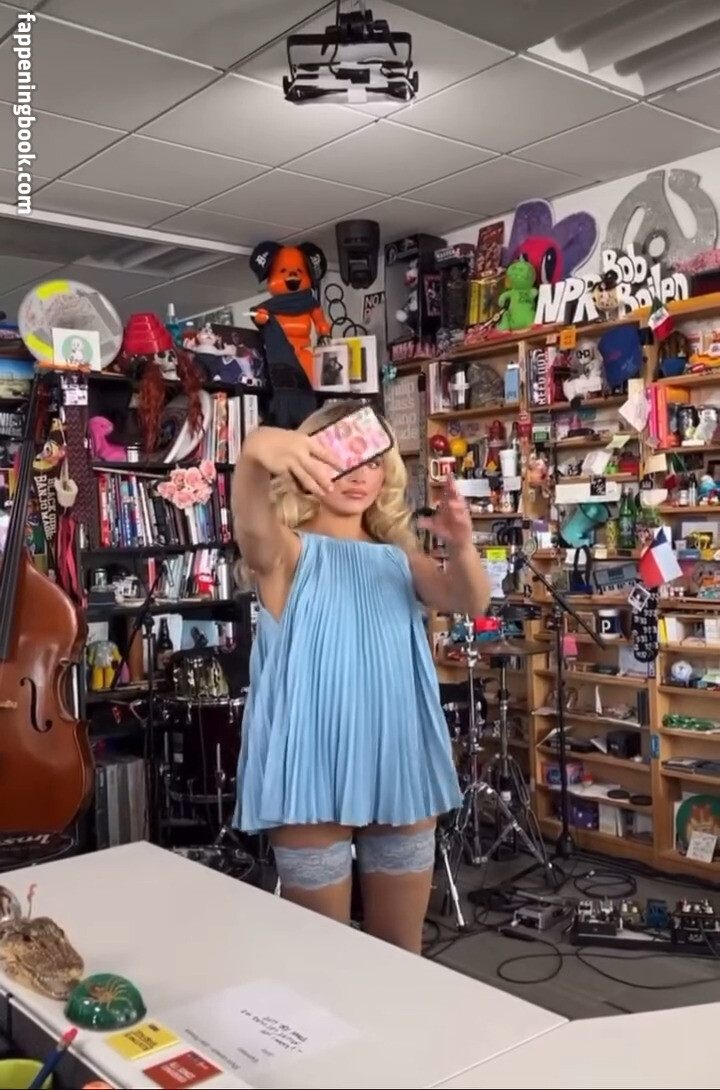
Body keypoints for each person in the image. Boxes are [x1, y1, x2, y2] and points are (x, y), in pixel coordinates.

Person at [231, 403, 491, 954]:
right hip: (311, 764)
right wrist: (253, 456)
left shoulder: (400, 560)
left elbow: (468, 600)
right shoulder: (288, 551)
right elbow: (252, 527)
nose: (358, 475)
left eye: (372, 461)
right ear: (305, 462)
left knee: (402, 956)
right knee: (325, 963)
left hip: (398, 754)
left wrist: (463, 547)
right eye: (341, 458)